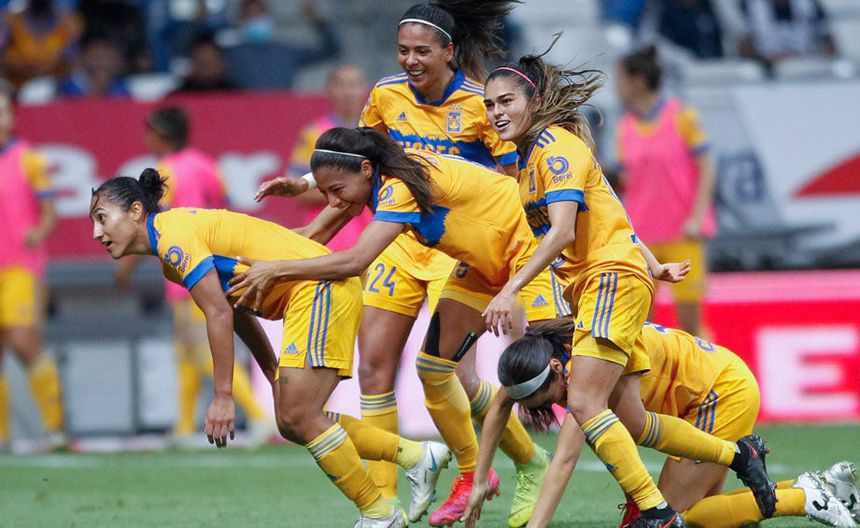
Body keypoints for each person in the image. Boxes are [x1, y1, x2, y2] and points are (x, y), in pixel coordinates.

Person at [263, 2, 566, 524]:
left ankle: (500, 464)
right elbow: (357, 162)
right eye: (403, 50)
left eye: (422, 51)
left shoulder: (480, 103)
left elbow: (511, 180)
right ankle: (384, 502)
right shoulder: (386, 94)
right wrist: (308, 187)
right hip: (400, 239)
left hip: (461, 244)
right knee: (374, 368)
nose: (410, 60)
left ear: (450, 51)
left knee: (456, 376)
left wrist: (522, 264)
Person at [479, 42, 776, 527]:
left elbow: (562, 232)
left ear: (533, 101)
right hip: (602, 281)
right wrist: (653, 264)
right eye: (489, 104)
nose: (495, 112)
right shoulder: (530, 158)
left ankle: (657, 512)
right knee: (631, 420)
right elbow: (613, 210)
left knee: (583, 402)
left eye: (506, 101)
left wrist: (510, 289)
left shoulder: (555, 149)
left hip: (609, 278)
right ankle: (740, 456)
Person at [234, 125, 575, 526]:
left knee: (571, 380)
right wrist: (293, 199)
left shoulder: (400, 187)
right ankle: (503, 469)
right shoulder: (382, 164)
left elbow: (355, 260)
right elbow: (318, 223)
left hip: (528, 250)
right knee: (433, 368)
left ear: (367, 169)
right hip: (480, 265)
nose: (332, 203)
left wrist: (275, 269)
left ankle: (634, 485)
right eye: (325, 193)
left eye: (336, 191)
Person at [90, 169, 453, 528]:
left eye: (103, 218)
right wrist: (271, 370)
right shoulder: (172, 250)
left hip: (319, 288)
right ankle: (417, 456)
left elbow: (218, 313)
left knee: (299, 416)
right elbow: (233, 308)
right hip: (314, 293)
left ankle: (379, 513)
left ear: (135, 211)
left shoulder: (174, 238)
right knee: (293, 420)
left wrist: (224, 396)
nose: (96, 232)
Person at [462, 320, 857, 528]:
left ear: (555, 367)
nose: (559, 405)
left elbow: (564, 460)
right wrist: (479, 477)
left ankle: (805, 498)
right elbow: (499, 407)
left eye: (552, 398)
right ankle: (824, 485)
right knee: (703, 512)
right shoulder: (560, 355)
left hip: (718, 395)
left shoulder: (587, 374)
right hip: (712, 388)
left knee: (674, 519)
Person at [116, 106, 273, 448]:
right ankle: (183, 426)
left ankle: (260, 416)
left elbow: (152, 226)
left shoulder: (165, 174)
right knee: (186, 349)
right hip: (213, 265)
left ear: (160, 134)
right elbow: (223, 214)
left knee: (200, 348)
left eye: (149, 131)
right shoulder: (208, 167)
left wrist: (126, 268)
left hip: (185, 269)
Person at [615, 45, 716, 337]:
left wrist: (697, 217)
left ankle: (705, 368)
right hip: (642, 236)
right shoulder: (625, 127)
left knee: (690, 323)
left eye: (620, 80)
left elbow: (707, 168)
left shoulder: (682, 117)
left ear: (637, 81)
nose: (617, 88)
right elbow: (627, 178)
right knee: (643, 324)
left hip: (682, 232)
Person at [0, 79, 65, 451]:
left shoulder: (29, 160)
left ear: (12, 117)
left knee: (23, 342)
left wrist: (37, 233)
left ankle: (55, 428)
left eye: (2, 112)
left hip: (20, 267)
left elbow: (50, 213)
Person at [287, 65, 373, 251]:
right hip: (326, 239)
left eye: (354, 85)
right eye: (341, 85)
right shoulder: (314, 133)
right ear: (330, 90)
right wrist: (350, 190)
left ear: (364, 90)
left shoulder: (377, 134)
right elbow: (299, 192)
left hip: (371, 239)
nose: (348, 92)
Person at [224, 1, 340, 91]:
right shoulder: (230, 55)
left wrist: (317, 21)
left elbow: (330, 50)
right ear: (242, 20)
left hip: (283, 110)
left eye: (260, 14)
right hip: (243, 111)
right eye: (251, 15)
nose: (257, 19)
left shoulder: (284, 50)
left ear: (268, 17)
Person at [0, 0, 82, 88]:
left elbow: (72, 61)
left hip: (53, 83)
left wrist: (45, 68)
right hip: (13, 81)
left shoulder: (68, 24)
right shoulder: (11, 20)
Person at [56, 35, 131, 99]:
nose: (102, 63)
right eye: (97, 57)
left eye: (108, 58)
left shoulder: (121, 88)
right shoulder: (69, 86)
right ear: (84, 57)